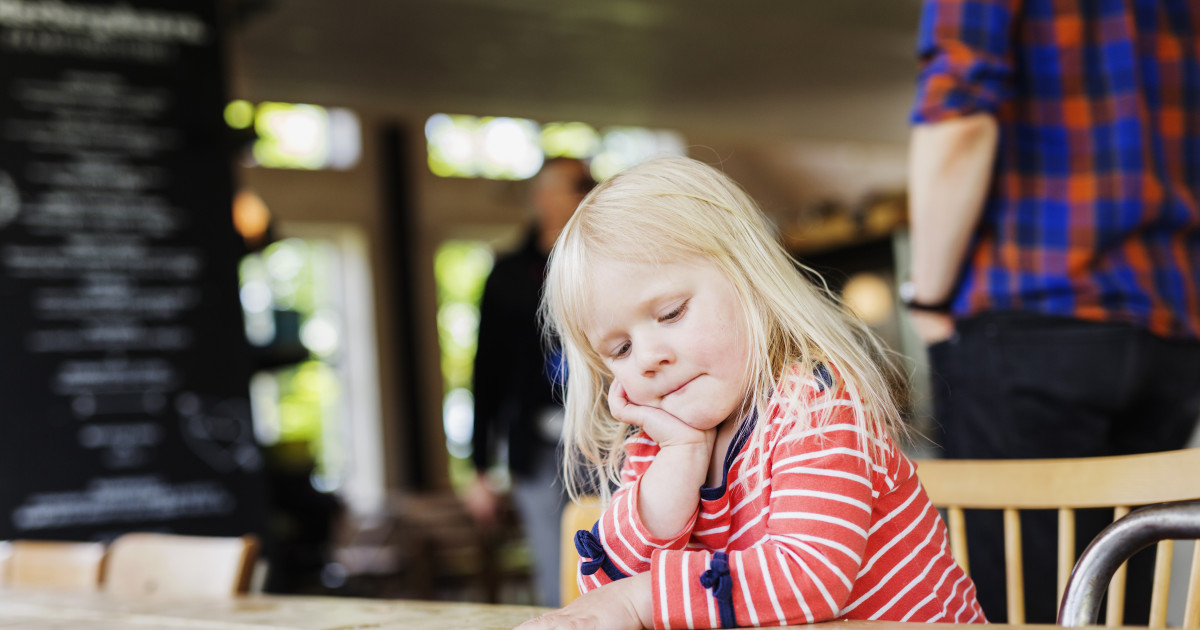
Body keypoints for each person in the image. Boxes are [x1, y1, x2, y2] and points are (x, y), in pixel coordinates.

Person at [518, 157, 985, 630]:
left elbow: (809, 579)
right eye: (620, 349)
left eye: (672, 313)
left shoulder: (814, 405)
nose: (647, 358)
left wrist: (641, 599)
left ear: (749, 279)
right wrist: (680, 457)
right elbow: (605, 589)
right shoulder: (657, 438)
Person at [907, 0, 1200, 623]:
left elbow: (958, 119)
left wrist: (928, 297)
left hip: (1029, 314)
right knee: (1122, 602)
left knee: (1023, 609)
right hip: (1171, 325)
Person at [465, 157, 595, 607]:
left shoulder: (606, 260)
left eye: (588, 183)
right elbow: (487, 372)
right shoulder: (508, 274)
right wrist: (479, 468)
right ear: (542, 197)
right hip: (537, 444)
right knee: (553, 573)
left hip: (607, 438)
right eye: (575, 184)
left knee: (615, 562)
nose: (585, 191)